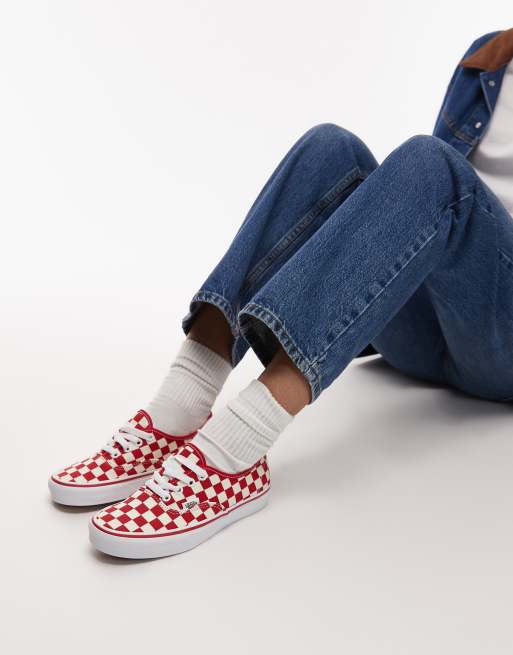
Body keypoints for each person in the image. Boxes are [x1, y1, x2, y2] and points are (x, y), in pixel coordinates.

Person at [49, 28, 513, 559]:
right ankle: (180, 405)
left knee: (432, 162)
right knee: (329, 148)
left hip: (501, 349)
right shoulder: (489, 58)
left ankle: (236, 452)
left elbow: (447, 186)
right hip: (437, 329)